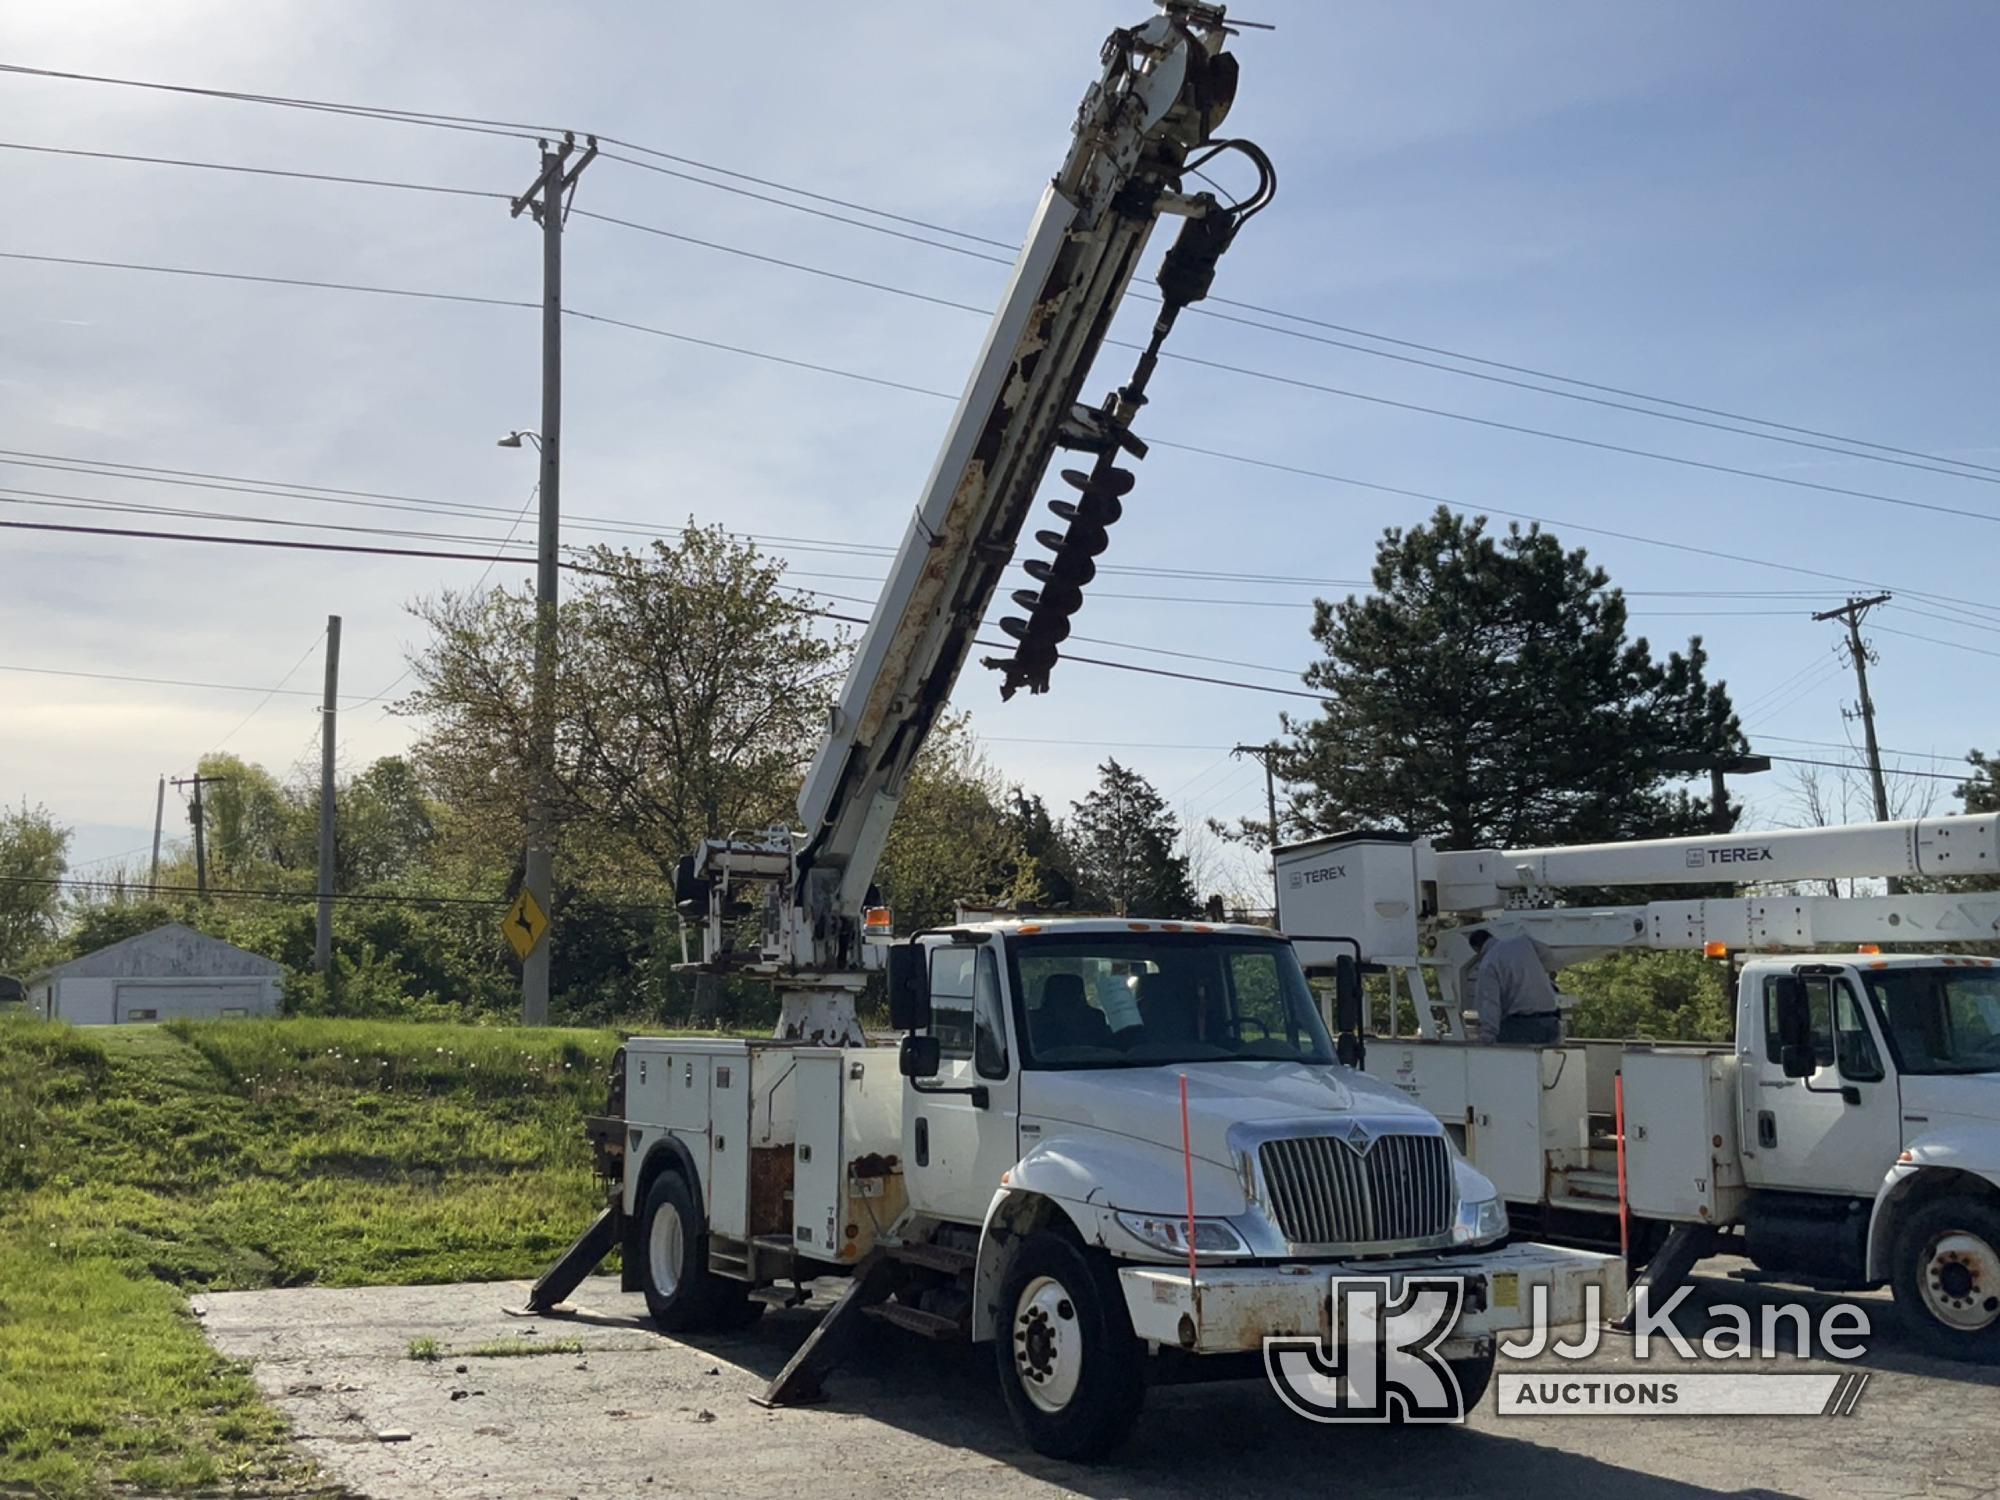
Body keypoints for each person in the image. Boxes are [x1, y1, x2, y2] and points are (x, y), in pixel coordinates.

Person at [1466, 927, 1563, 1045]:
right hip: (1550, 1021)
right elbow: (1547, 956)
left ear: (1476, 948)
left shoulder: (1489, 963)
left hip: (1521, 1025)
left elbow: (1489, 1003)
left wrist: (1488, 1035)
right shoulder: (1522, 942)